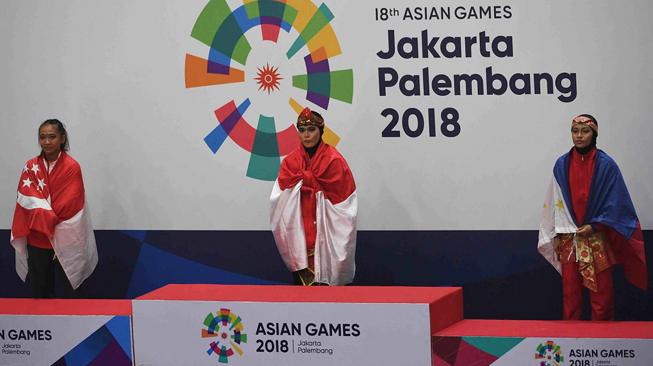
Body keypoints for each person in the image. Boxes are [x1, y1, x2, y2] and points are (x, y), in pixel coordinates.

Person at [538, 114, 647, 320]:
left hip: (596, 237)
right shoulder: (561, 164)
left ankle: (602, 342)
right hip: (569, 238)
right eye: (575, 131)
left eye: (585, 131)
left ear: (594, 134)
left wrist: (595, 226)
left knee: (601, 295)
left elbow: (617, 204)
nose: (579, 136)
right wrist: (560, 227)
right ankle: (571, 342)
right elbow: (555, 200)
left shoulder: (606, 165)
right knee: (570, 295)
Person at [270, 108, 357, 286]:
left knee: (331, 304)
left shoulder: (334, 161)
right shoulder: (290, 162)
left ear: (321, 131)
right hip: (301, 240)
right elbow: (279, 202)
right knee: (303, 304)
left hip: (327, 242)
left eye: (311, 130)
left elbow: (345, 206)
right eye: (302, 131)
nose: (306, 135)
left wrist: (314, 186)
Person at [10, 119, 97, 298]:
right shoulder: (30, 167)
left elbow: (69, 203)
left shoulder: (72, 167)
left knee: (71, 291)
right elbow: (26, 200)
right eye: (42, 137)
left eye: (52, 137)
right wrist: (44, 218)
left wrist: (45, 216)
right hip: (38, 238)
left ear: (62, 138)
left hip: (66, 237)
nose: (47, 142)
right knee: (40, 291)